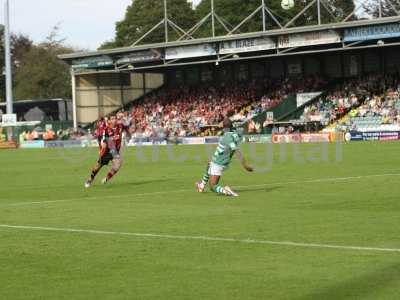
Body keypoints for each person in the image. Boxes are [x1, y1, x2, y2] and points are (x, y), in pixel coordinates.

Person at [196, 118, 253, 197]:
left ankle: (226, 191)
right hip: (220, 160)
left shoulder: (228, 137)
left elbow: (236, 150)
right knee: (209, 164)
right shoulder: (235, 134)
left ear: (224, 126)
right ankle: (201, 185)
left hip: (219, 163)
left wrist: (245, 165)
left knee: (212, 186)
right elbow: (244, 135)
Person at [84, 115, 129, 188]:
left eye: (115, 118)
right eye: (112, 119)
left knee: (118, 164)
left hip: (114, 151)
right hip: (107, 150)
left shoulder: (120, 126)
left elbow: (128, 126)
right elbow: (104, 139)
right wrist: (103, 144)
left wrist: (124, 118)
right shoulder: (106, 129)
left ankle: (106, 178)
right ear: (109, 121)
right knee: (97, 167)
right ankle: (90, 179)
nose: (114, 120)